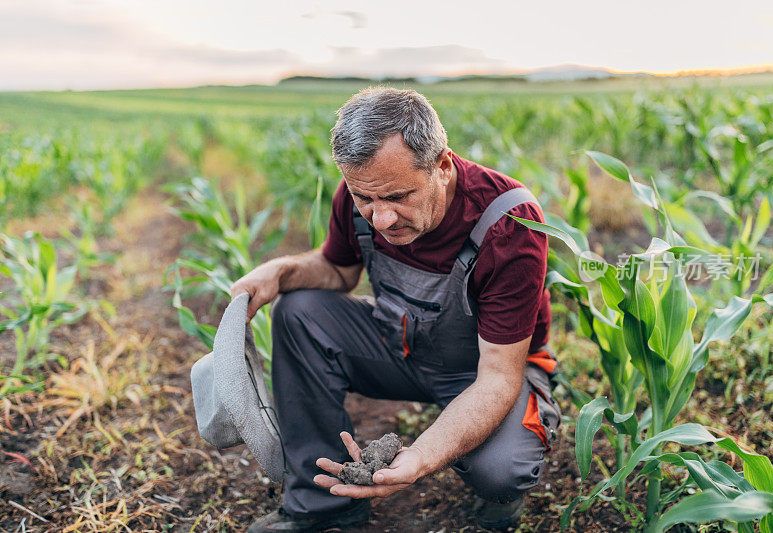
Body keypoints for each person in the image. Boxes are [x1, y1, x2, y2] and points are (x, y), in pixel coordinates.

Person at [231, 87, 561, 532]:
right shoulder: (360, 192)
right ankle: (324, 506)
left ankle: (501, 498)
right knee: (298, 310)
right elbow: (336, 270)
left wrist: (421, 458)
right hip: (400, 346)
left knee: (502, 470)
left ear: (443, 166)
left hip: (486, 371)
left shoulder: (509, 224)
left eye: (398, 197)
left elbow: (499, 376)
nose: (380, 218)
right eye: (365, 199)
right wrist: (280, 273)